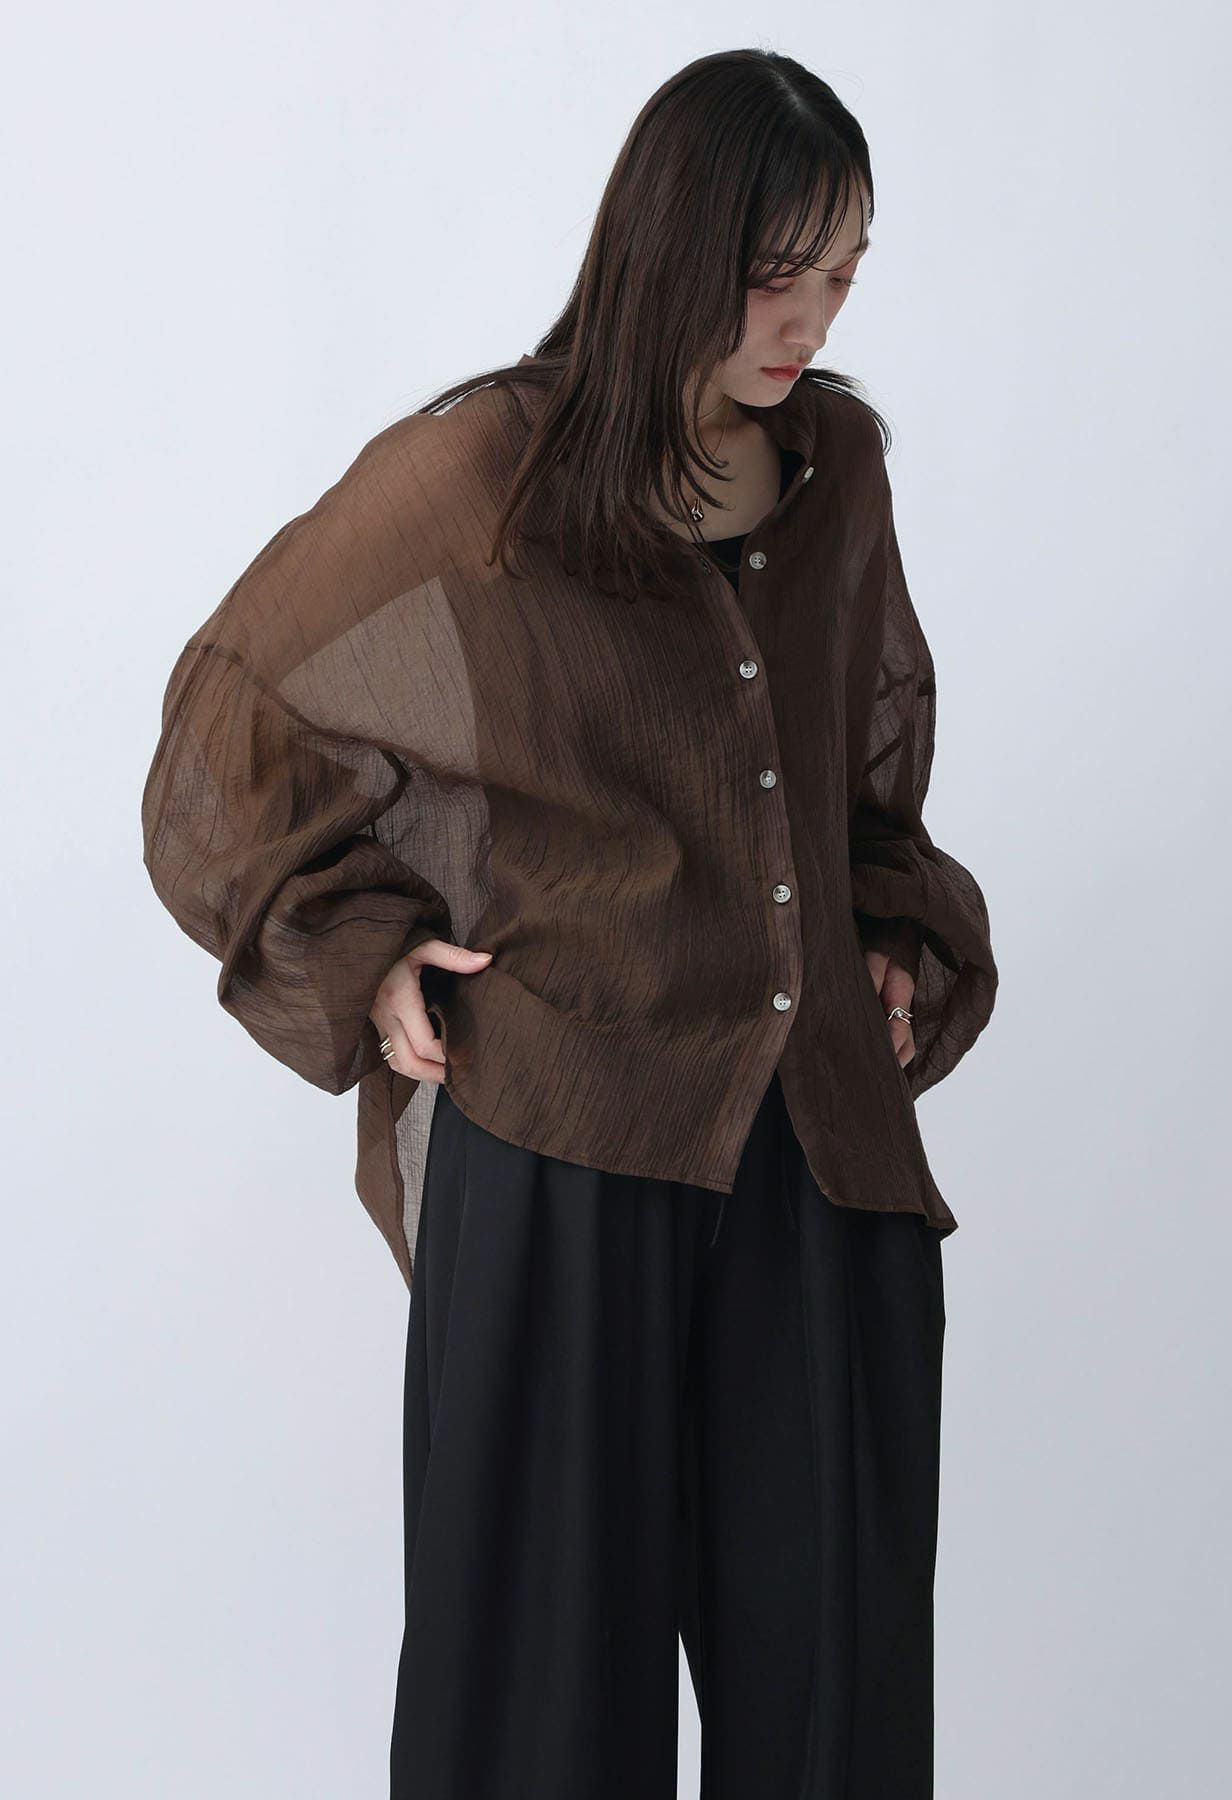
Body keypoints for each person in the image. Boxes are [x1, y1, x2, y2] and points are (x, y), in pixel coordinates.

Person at [141, 46, 997, 1800]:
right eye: (777, 272)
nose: (810, 322)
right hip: (563, 1141)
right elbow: (232, 712)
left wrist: (885, 940)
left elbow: (853, 788)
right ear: (672, 242)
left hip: (815, 1165)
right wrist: (365, 948)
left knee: (833, 1704)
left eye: (845, 275)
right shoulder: (488, 474)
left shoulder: (835, 464)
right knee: (537, 1709)